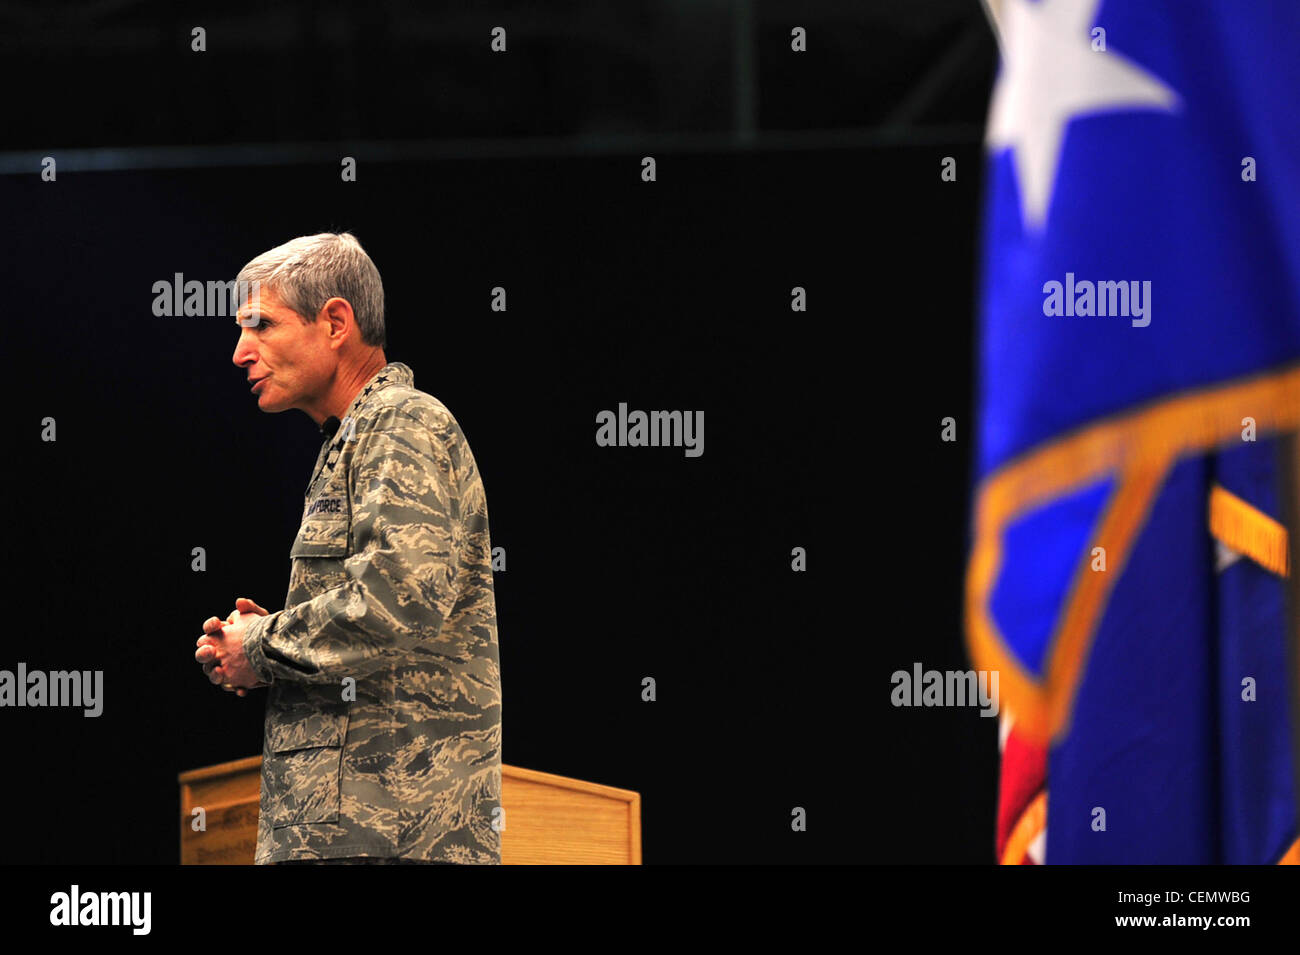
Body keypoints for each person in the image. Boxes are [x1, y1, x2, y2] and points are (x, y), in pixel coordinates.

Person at [194, 232, 502, 864]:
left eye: (260, 325)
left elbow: (395, 598)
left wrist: (258, 645)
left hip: (389, 834)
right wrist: (260, 643)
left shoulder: (401, 421)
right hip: (354, 833)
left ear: (335, 322)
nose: (238, 353)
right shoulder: (354, 438)